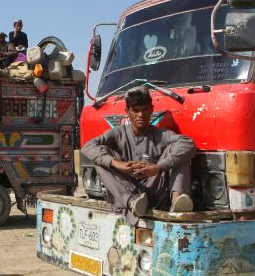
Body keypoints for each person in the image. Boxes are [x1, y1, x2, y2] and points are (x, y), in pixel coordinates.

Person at [81, 89, 196, 224]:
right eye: (136, 110)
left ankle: (178, 201)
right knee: (101, 158)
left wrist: (157, 167)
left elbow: (188, 144)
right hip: (130, 192)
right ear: (127, 112)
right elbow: (88, 146)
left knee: (180, 152)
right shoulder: (117, 133)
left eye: (145, 109)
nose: (141, 115)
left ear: (152, 109)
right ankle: (131, 201)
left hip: (155, 191)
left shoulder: (161, 134)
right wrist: (118, 164)